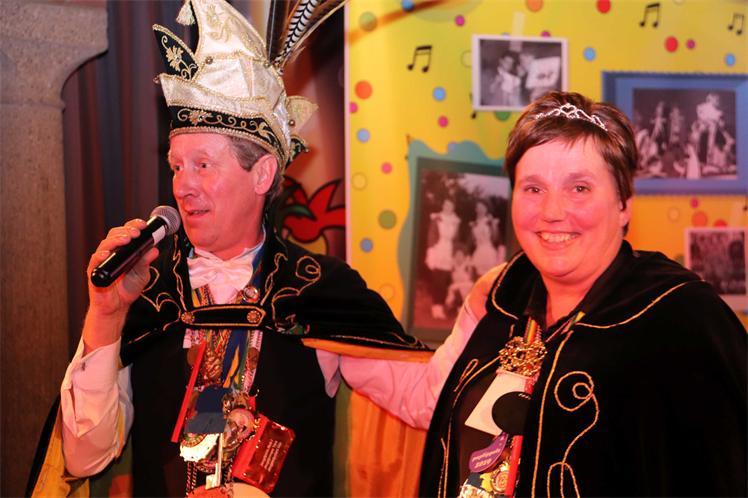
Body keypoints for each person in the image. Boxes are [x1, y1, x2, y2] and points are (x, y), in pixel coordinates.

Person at [28, 1, 428, 496]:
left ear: (261, 175)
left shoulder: (321, 292)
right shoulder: (148, 297)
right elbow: (83, 457)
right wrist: (105, 316)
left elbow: (425, 402)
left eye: (203, 165)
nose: (182, 186)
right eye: (177, 166)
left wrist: (481, 312)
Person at [350, 92, 747, 497]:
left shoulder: (681, 317)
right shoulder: (499, 299)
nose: (552, 212)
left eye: (579, 187)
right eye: (533, 188)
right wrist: (336, 332)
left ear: (624, 203)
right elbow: (431, 400)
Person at [425, 198, 462, 320]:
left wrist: (456, 255)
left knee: (445, 281)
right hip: (438, 249)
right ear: (443, 206)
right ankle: (436, 307)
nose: (448, 207)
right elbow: (431, 236)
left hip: (449, 251)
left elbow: (456, 240)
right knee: (437, 280)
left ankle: (442, 306)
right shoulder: (436, 218)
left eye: (450, 205)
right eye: (446, 205)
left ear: (453, 207)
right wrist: (431, 252)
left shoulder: (455, 221)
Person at [470, 199, 505, 276]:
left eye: (482, 207)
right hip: (478, 252)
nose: (480, 210)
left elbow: (496, 238)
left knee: (489, 276)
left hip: (489, 252)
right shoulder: (474, 224)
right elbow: (472, 242)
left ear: (486, 209)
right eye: (478, 207)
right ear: (476, 209)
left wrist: (493, 225)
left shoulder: (491, 222)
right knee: (478, 276)